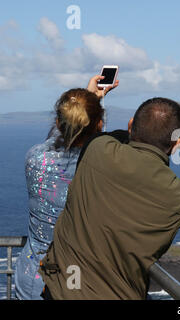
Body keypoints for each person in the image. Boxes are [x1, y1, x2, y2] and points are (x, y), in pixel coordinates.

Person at [39, 97, 180, 300]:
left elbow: (118, 136)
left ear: (131, 126)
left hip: (58, 291)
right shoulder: (178, 197)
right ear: (176, 141)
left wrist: (165, 139)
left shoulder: (97, 149)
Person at [14, 76, 118, 300]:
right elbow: (95, 146)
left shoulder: (35, 158)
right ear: (98, 124)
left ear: (58, 123)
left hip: (31, 274)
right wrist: (95, 105)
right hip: (75, 279)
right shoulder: (101, 166)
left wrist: (88, 103)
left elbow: (71, 137)